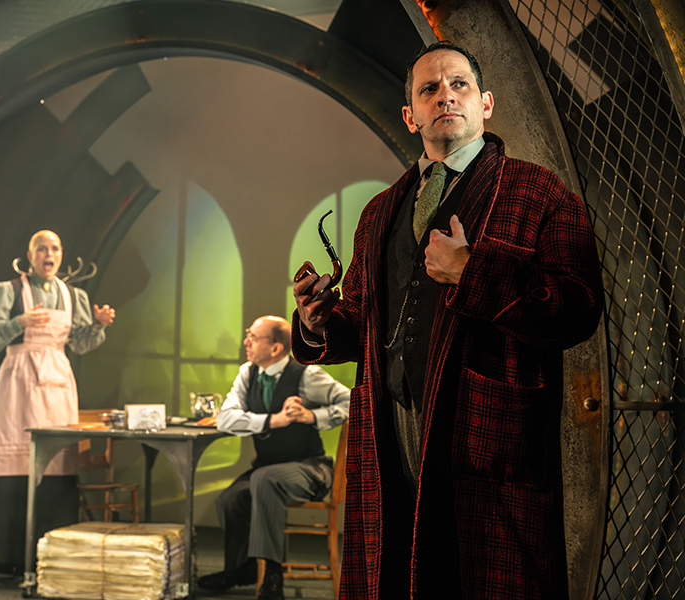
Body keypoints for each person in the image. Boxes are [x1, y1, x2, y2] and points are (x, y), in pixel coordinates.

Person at [292, 41, 603, 600]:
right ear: (411, 116)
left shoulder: (539, 192)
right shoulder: (379, 211)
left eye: (459, 84)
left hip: (485, 435)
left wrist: (472, 272)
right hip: (389, 430)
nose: (446, 97)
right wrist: (318, 323)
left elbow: (578, 308)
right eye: (429, 89)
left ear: (486, 103)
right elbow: (363, 321)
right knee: (396, 579)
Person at [0, 230, 116, 575]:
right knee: (17, 461)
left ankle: (54, 554)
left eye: (55, 248)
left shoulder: (72, 294)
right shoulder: (8, 291)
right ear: (30, 255)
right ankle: (8, 555)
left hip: (58, 383)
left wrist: (97, 325)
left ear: (61, 254)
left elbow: (79, 344)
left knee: (56, 463)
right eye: (42, 249)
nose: (49, 254)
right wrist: (18, 322)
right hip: (20, 383)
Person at [197, 315, 350, 600]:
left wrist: (312, 415)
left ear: (276, 348)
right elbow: (226, 419)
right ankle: (244, 568)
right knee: (231, 499)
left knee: (263, 479)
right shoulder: (248, 373)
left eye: (253, 337)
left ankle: (272, 573)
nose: (246, 342)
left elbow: (351, 401)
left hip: (310, 469)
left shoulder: (307, 375)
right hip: (267, 468)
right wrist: (273, 421)